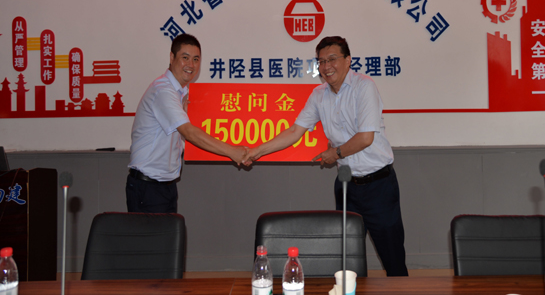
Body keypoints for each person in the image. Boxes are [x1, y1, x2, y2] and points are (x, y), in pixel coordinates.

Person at [245, 36, 408, 276]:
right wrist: (256, 151)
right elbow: (294, 131)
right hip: (346, 187)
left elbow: (366, 138)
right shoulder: (319, 94)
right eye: (321, 61)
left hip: (379, 186)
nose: (326, 66)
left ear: (348, 60)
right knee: (346, 261)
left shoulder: (364, 86)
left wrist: (336, 153)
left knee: (392, 258)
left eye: (332, 59)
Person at [127, 33, 248, 213]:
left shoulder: (181, 94)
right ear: (172, 57)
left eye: (196, 59)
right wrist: (232, 152)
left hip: (165, 186)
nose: (191, 65)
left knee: (170, 233)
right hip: (148, 188)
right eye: (185, 58)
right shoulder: (163, 90)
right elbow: (189, 132)